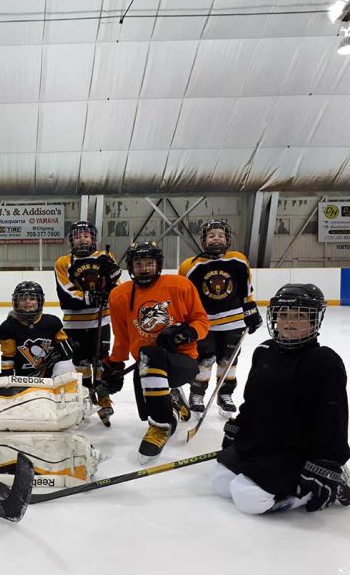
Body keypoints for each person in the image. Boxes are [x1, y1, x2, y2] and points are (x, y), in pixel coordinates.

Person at [212, 284, 350, 514]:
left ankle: (316, 491)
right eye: (283, 314)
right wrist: (239, 425)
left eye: (300, 316)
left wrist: (327, 462)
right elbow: (254, 400)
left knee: (249, 498)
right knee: (221, 480)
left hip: (297, 451)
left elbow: (334, 418)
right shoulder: (264, 351)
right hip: (263, 444)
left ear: (315, 320)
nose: (290, 322)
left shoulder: (323, 360)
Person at [99, 241, 210, 463]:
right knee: (145, 408)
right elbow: (122, 338)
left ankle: (162, 425)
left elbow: (202, 322)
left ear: (158, 264)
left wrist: (186, 332)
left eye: (149, 263)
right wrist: (113, 365)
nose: (145, 268)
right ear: (131, 267)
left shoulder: (180, 285)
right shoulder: (119, 295)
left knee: (150, 356)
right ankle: (171, 400)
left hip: (183, 361)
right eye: (139, 264)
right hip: (147, 365)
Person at [179, 219, 262, 418]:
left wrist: (250, 311)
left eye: (220, 235)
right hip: (203, 323)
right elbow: (183, 295)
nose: (216, 238)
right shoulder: (190, 266)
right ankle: (197, 394)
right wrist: (184, 320)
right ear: (203, 240)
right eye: (211, 235)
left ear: (227, 239)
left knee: (229, 361)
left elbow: (245, 289)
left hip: (234, 322)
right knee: (204, 361)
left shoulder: (238, 260)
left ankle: (225, 394)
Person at [54, 221, 121, 425]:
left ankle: (102, 395)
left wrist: (112, 280)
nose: (82, 239)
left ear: (93, 238)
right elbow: (66, 289)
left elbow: (116, 285)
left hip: (101, 320)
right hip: (74, 323)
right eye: (77, 236)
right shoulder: (63, 262)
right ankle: (85, 394)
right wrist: (90, 297)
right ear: (71, 240)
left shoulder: (105, 257)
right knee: (80, 363)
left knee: (101, 360)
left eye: (86, 235)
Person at [0, 281, 74, 378]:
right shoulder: (9, 327)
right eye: (23, 299)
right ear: (16, 302)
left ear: (39, 301)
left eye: (32, 299)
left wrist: (64, 350)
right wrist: (7, 378)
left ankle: (65, 391)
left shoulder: (52, 323)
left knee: (66, 366)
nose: (28, 302)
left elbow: (66, 354)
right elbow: (8, 356)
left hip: (52, 379)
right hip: (23, 380)